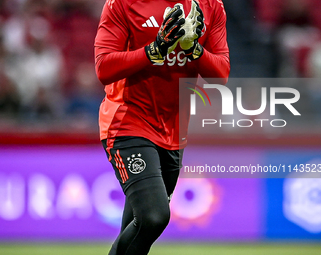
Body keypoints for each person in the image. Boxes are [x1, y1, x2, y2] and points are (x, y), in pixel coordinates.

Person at [94, 0, 230, 254]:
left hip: (174, 133)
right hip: (127, 122)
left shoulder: (211, 5)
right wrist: (153, 50)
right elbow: (103, 67)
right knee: (154, 216)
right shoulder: (122, 4)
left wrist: (194, 50)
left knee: (139, 228)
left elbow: (221, 74)